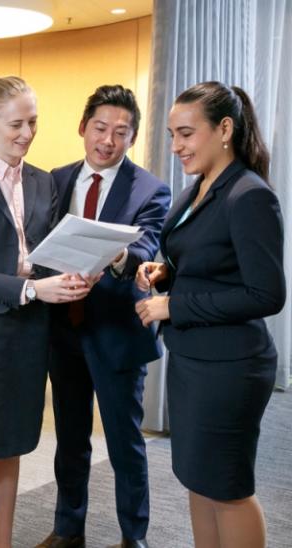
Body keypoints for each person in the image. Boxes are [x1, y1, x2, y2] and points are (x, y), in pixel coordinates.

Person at [0, 76, 94, 548]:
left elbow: (46, 254)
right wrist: (32, 290)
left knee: (11, 450)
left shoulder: (43, 180)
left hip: (29, 336)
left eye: (33, 123)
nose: (27, 134)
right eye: (16, 124)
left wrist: (76, 272)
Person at [135, 81, 284, 548]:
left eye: (186, 134)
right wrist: (166, 273)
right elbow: (207, 261)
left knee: (228, 490)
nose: (176, 146)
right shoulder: (199, 188)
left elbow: (266, 294)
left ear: (224, 129)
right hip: (193, 360)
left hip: (231, 368)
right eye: (172, 135)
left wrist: (173, 304)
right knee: (198, 480)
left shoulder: (249, 195)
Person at [38, 85, 171, 548]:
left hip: (116, 329)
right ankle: (68, 528)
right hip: (64, 328)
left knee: (124, 443)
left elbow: (146, 245)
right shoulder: (54, 179)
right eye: (100, 128)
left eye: (121, 132)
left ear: (132, 138)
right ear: (82, 127)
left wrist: (114, 260)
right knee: (70, 440)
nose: (108, 140)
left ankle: (134, 537)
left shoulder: (151, 188)